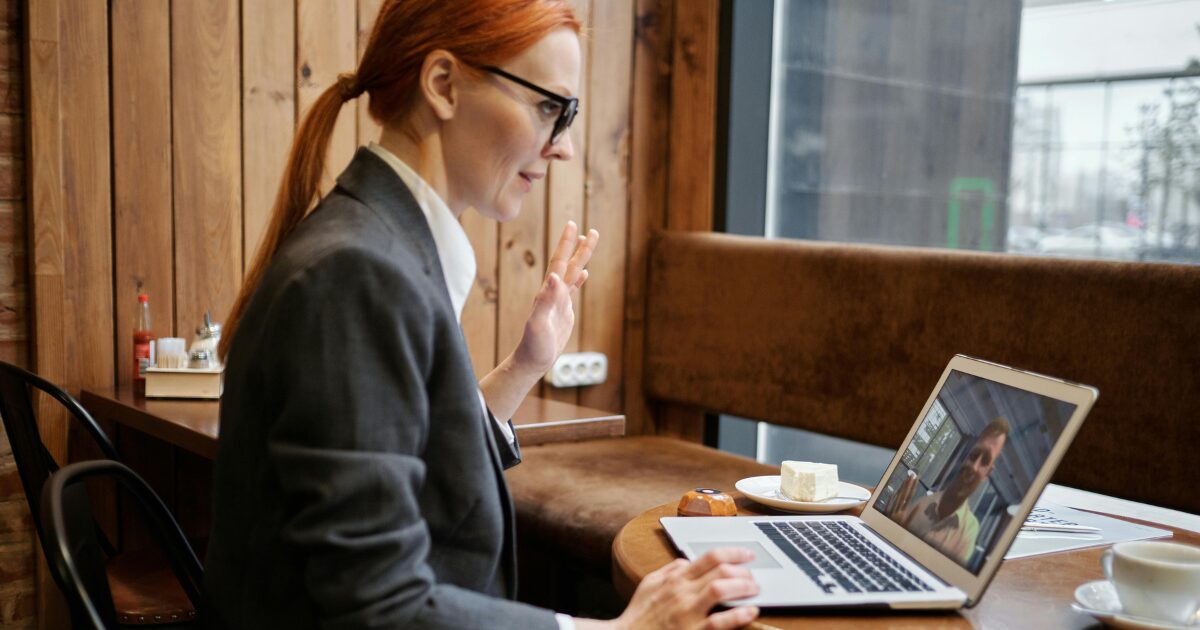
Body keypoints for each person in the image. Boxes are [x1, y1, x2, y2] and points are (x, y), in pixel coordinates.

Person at [203, 1, 760, 628]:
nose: (566, 148)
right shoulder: (360, 275)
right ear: (443, 85)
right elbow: (375, 606)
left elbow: (407, 452)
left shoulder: (375, 246)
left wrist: (524, 366)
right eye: (552, 107)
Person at [886, 418, 1010, 564]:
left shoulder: (969, 531)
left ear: (988, 473)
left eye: (985, 461)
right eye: (974, 455)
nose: (974, 467)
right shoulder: (922, 503)